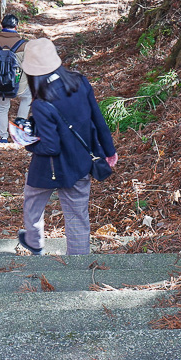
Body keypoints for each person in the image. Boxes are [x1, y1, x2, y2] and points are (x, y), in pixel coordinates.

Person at [16, 38, 118, 256]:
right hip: (80, 162)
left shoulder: (42, 102)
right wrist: (109, 151)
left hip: (48, 168)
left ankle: (34, 242)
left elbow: (51, 147)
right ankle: (78, 267)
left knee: (33, 199)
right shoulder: (80, 82)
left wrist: (27, 143)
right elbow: (98, 120)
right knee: (77, 215)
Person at [0, 15, 32, 143]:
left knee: (3, 107)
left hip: (1, 84)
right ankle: (19, 132)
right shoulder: (24, 44)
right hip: (21, 83)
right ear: (16, 27)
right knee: (27, 98)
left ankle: (3, 136)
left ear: (1, 26)